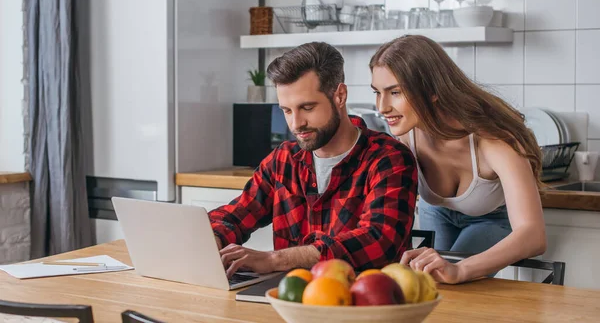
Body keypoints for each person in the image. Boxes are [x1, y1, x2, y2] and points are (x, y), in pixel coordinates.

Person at [209, 42, 418, 277]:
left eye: (307, 107)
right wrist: (212, 240)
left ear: (339, 95)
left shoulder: (389, 158)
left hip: (365, 304)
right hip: (291, 303)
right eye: (287, 111)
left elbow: (379, 239)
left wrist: (274, 258)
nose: (296, 124)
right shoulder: (283, 160)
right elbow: (235, 215)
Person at [369, 35, 547, 284]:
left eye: (395, 92)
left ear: (432, 91)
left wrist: (461, 270)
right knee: (431, 284)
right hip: (436, 212)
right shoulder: (404, 131)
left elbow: (534, 235)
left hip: (491, 217)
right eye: (377, 92)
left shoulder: (494, 140)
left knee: (451, 282)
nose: (382, 107)